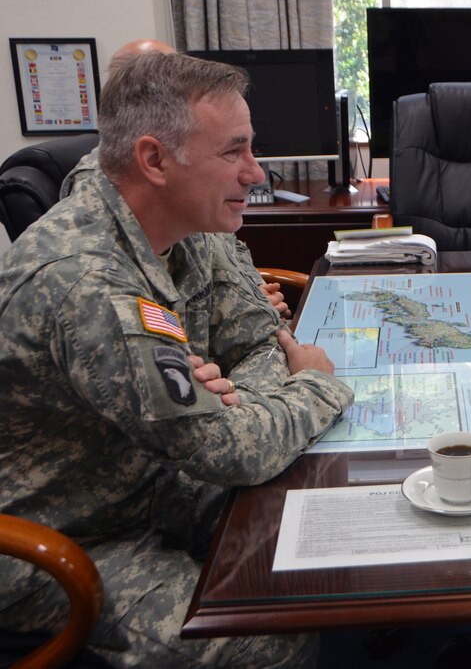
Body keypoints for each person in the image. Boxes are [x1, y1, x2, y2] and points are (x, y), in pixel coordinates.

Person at [0, 52, 354, 667]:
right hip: (66, 538)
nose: (255, 173)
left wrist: (232, 407)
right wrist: (316, 386)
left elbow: (254, 343)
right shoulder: (87, 284)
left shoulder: (174, 227)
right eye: (233, 152)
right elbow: (231, 449)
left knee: (319, 523)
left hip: (147, 479)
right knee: (269, 638)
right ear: (153, 160)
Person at [59, 38, 295, 318]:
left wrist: (252, 292)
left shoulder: (187, 208)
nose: (256, 174)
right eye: (232, 151)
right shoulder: (90, 262)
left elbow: (232, 271)